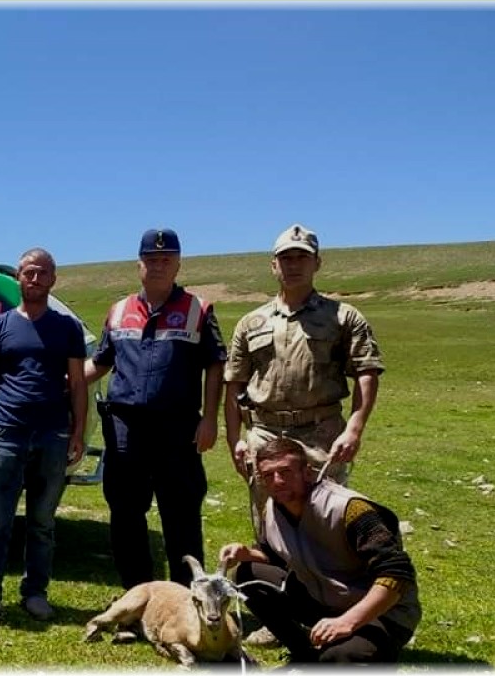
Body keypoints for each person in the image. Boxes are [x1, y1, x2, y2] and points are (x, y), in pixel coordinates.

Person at [82, 228, 226, 590]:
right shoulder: (118, 311)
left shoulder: (197, 309)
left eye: (165, 259)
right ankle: (138, 596)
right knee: (126, 514)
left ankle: (185, 598)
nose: (158, 266)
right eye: (151, 260)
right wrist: (57, 381)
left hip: (177, 429)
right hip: (125, 429)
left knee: (181, 515)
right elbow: (100, 363)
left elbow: (215, 364)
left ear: (178, 264)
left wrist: (210, 419)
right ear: (139, 265)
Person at [223, 224, 385, 536]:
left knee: (326, 519)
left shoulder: (343, 317)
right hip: (265, 435)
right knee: (269, 522)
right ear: (274, 265)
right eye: (286, 258)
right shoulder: (250, 322)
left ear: (317, 263)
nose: (293, 265)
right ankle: (275, 582)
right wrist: (235, 441)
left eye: (302, 257)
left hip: (321, 435)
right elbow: (235, 385)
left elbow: (367, 371)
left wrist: (354, 428)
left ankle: (328, 584)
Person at [0, 248, 87, 625]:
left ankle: (35, 594)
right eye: (28, 273)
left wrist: (78, 431)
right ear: (18, 277)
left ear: (53, 279)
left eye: (42, 274)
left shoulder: (67, 328)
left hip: (52, 433)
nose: (35, 280)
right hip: (5, 432)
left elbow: (78, 383)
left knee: (43, 523)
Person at [219, 436, 421, 664]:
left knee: (339, 657)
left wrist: (347, 622)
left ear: (307, 472)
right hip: (325, 598)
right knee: (247, 573)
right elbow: (277, 557)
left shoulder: (349, 510)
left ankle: (367, 651)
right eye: (268, 475)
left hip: (381, 614)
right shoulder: (273, 509)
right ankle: (304, 654)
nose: (277, 481)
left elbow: (396, 573)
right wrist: (246, 553)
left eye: (285, 472)